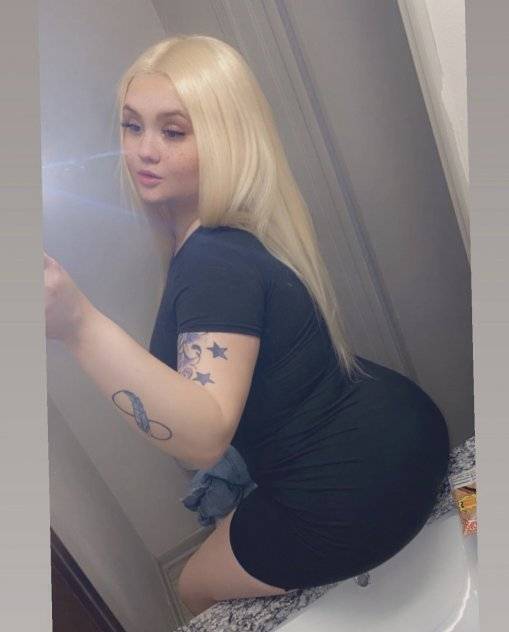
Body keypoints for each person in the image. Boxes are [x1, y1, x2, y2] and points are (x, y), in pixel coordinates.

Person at [43, 34, 450, 617]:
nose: (143, 151)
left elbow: (204, 437)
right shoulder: (235, 229)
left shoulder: (211, 261)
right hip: (406, 427)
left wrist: (76, 324)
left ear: (225, 137)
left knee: (193, 588)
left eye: (173, 131)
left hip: (346, 495)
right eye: (132, 126)